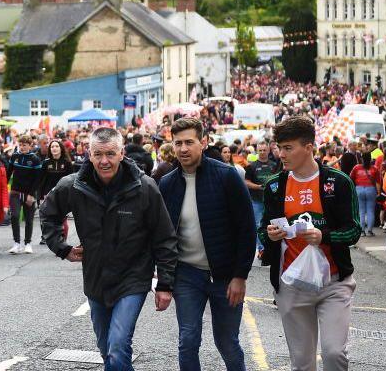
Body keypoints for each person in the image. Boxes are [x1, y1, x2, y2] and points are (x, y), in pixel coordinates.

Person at [40, 127, 177, 371]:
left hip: (133, 278)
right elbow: (48, 213)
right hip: (95, 279)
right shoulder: (72, 186)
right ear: (88, 154)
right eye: (98, 154)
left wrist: (165, 284)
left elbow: (164, 236)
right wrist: (62, 248)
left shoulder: (145, 187)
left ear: (122, 153)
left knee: (118, 345)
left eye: (111, 154)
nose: (105, 161)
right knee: (107, 351)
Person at [260, 116, 360, 371]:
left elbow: (354, 230)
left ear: (309, 147)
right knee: (302, 363)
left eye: (288, 147)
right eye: (279, 147)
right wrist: (270, 235)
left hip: (334, 283)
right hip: (291, 285)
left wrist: (324, 236)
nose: (281, 154)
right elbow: (262, 230)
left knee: (334, 354)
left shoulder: (337, 182)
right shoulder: (274, 186)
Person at [159, 118, 255, 371]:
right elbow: (163, 237)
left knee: (227, 343)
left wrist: (240, 276)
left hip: (224, 276)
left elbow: (246, 229)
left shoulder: (226, 176)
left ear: (203, 142)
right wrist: (164, 281)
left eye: (189, 142)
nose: (183, 149)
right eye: (177, 143)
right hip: (187, 274)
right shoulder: (167, 183)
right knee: (187, 340)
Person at [5, 135, 42, 254]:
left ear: (30, 145)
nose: (22, 147)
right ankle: (16, 243)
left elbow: (37, 179)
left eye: (25, 145)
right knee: (15, 216)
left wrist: (32, 194)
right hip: (15, 192)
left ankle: (28, 243)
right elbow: (8, 172)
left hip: (29, 194)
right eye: (20, 145)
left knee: (29, 219)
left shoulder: (35, 159)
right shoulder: (14, 156)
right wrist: (4, 187)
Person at [349, 153, 380, 237]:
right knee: (370, 211)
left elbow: (350, 178)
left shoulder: (356, 167)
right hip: (371, 190)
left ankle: (362, 231)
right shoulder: (375, 168)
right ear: (370, 159)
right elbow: (377, 182)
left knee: (361, 211)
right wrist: (379, 193)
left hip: (359, 189)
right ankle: (369, 231)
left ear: (361, 159)